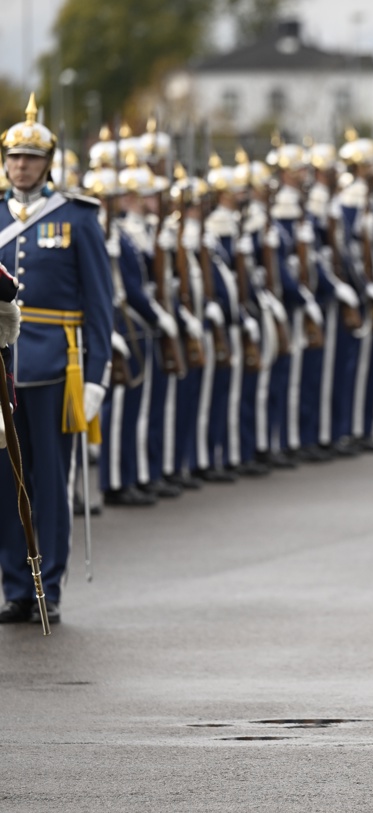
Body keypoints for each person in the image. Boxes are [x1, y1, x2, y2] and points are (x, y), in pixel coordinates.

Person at [0, 95, 114, 625]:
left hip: (54, 366)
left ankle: (48, 582)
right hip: (2, 368)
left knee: (49, 480)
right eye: (14, 157)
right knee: (6, 480)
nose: (21, 166)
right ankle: (16, 586)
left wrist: (96, 376)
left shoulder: (76, 217)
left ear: (48, 163)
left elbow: (99, 305)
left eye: (30, 158)